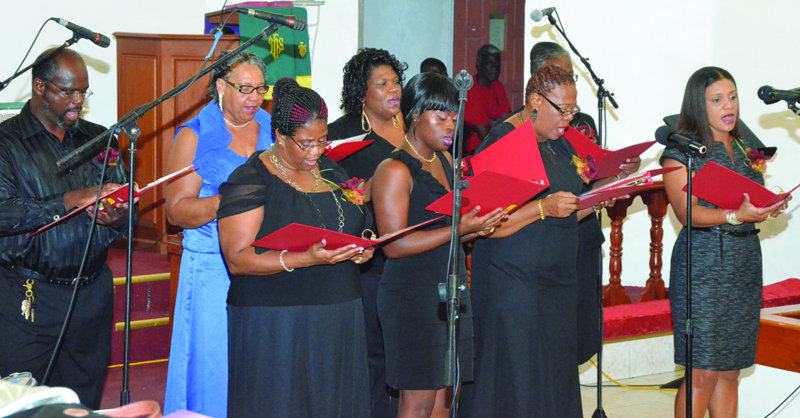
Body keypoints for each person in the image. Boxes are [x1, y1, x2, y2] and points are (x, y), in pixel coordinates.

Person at [217, 78, 373, 418]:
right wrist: (306, 258)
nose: (315, 152)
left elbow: (359, 218)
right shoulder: (251, 179)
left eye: (322, 141)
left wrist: (365, 246)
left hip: (338, 312)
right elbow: (237, 259)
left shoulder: (333, 170)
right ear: (279, 136)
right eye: (305, 144)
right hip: (276, 319)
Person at [461, 65, 605, 417]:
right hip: (513, 285)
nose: (569, 120)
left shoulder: (558, 142)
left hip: (555, 282)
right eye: (563, 110)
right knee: (518, 380)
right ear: (536, 101)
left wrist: (601, 195)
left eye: (573, 110)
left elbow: (562, 212)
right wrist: (542, 208)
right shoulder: (504, 141)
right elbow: (487, 225)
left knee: (553, 377)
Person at [0, 48, 135, 409]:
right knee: (25, 404)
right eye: (68, 92)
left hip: (92, 294)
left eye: (83, 92)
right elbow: (3, 213)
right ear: (40, 87)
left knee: (82, 402)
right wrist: (70, 199)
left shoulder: (100, 139)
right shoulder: (6, 143)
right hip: (29, 296)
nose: (78, 101)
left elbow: (126, 216)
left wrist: (118, 217)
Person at [371, 72, 506, 418]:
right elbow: (393, 245)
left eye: (454, 117)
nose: (451, 125)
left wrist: (478, 226)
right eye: (441, 116)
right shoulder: (395, 169)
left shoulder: (444, 161)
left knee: (445, 399)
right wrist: (460, 230)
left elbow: (449, 230)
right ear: (415, 115)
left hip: (448, 290)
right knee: (418, 401)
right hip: (411, 296)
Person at [660, 66, 788, 418]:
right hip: (702, 263)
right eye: (716, 100)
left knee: (731, 369)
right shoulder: (681, 153)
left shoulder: (747, 146)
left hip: (744, 260)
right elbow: (687, 213)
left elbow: (747, 200)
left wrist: (766, 206)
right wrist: (735, 216)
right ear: (698, 106)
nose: (728, 106)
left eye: (732, 97)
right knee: (703, 371)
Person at [163, 50, 273, 417]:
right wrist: (232, 200)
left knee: (259, 362)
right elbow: (176, 211)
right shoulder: (195, 134)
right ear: (221, 87)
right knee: (214, 367)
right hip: (212, 270)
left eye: (260, 89)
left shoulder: (271, 127)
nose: (254, 98)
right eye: (245, 89)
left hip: (262, 261)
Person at [529, 41, 640, 364]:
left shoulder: (582, 122)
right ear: (539, 80)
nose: (569, 82)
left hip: (584, 235)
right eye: (560, 74)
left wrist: (618, 171)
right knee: (551, 334)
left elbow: (590, 173)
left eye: (572, 76)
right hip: (546, 240)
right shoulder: (522, 129)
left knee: (581, 324)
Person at [327, 47, 407, 418]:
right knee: (376, 355)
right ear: (361, 93)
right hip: (370, 262)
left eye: (396, 82)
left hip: (418, 253)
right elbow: (332, 205)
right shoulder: (339, 138)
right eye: (383, 84)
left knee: (411, 354)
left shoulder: (417, 125)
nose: (394, 90)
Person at [463, 44, 511, 155]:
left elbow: (509, 124)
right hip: (475, 152)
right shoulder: (470, 89)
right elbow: (484, 134)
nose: (495, 68)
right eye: (490, 63)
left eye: (497, 64)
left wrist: (493, 124)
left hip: (498, 147)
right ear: (479, 65)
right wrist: (497, 123)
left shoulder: (497, 86)